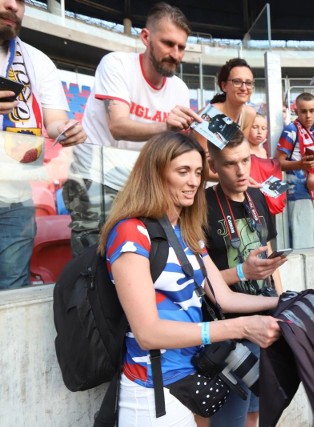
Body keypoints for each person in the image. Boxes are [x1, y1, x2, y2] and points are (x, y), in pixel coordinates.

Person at [98, 131, 281, 426]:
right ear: (156, 174)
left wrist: (285, 301)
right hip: (152, 390)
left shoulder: (186, 230)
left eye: (198, 172)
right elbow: (148, 333)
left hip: (191, 378)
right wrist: (241, 327)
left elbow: (224, 296)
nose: (194, 181)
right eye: (183, 171)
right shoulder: (130, 233)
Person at [64, 2, 198, 256]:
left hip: (139, 181)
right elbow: (118, 126)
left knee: (140, 255)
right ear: (146, 37)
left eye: (181, 47)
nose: (176, 54)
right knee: (93, 258)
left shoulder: (179, 88)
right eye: (168, 44)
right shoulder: (116, 64)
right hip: (96, 173)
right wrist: (166, 126)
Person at [0, 0, 85, 291]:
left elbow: (54, 121)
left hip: (12, 194)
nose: (12, 5)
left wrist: (64, 130)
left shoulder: (37, 60)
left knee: (8, 292)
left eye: (20, 0)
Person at [203, 131, 286, 427]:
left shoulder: (258, 197)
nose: (240, 170)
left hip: (266, 321)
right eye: (229, 164)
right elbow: (200, 278)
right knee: (231, 420)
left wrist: (282, 303)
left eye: (245, 160)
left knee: (257, 414)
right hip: (230, 329)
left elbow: (271, 258)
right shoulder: (201, 204)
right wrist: (242, 272)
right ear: (213, 166)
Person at [276, 92, 314, 249]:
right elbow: (278, 163)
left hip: (313, 194)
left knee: (307, 243)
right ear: (296, 111)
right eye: (303, 111)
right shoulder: (291, 130)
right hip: (298, 195)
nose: (308, 115)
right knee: (303, 247)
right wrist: (300, 164)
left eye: (311, 110)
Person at [248, 114, 286, 215]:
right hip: (250, 197)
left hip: (266, 198)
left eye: (263, 128)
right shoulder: (244, 150)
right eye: (255, 127)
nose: (259, 131)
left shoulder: (264, 151)